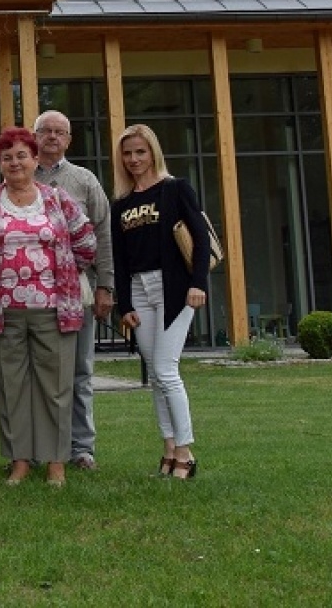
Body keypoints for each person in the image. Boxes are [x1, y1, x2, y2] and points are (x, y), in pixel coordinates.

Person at [0, 126, 97, 488]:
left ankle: (56, 462)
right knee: (11, 386)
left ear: (36, 159)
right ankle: (19, 461)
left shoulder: (56, 199)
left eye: (22, 155)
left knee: (55, 386)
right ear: (0, 163)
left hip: (55, 307)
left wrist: (64, 272)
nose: (15, 162)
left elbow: (86, 242)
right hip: (0, 311)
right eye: (7, 157)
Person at [111, 123, 210, 480]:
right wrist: (126, 305)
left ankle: (185, 452)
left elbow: (199, 237)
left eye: (140, 151)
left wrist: (198, 283)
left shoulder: (174, 189)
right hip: (139, 290)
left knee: (167, 371)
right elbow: (120, 260)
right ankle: (168, 448)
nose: (134, 159)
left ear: (153, 152)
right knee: (155, 374)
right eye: (127, 153)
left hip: (174, 289)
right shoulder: (121, 203)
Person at [32, 110, 114, 470]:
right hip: (31, 291)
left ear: (68, 139)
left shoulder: (83, 180)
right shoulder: (20, 176)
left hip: (76, 289)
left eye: (59, 132)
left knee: (79, 370)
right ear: (34, 137)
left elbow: (104, 235)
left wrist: (105, 286)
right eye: (45, 131)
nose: (52, 136)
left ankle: (82, 448)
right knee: (36, 373)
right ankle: (36, 449)